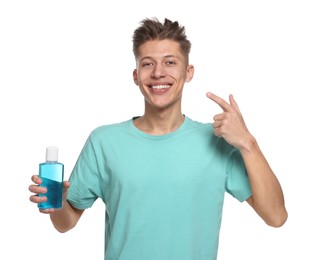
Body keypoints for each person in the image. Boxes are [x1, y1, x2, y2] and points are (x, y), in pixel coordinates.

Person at [29, 17, 288, 260]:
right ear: (136, 75)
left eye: (170, 62)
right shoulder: (103, 142)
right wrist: (59, 204)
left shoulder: (218, 142)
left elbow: (276, 217)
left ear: (189, 72)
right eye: (147, 63)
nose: (158, 73)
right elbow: (67, 222)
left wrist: (248, 142)